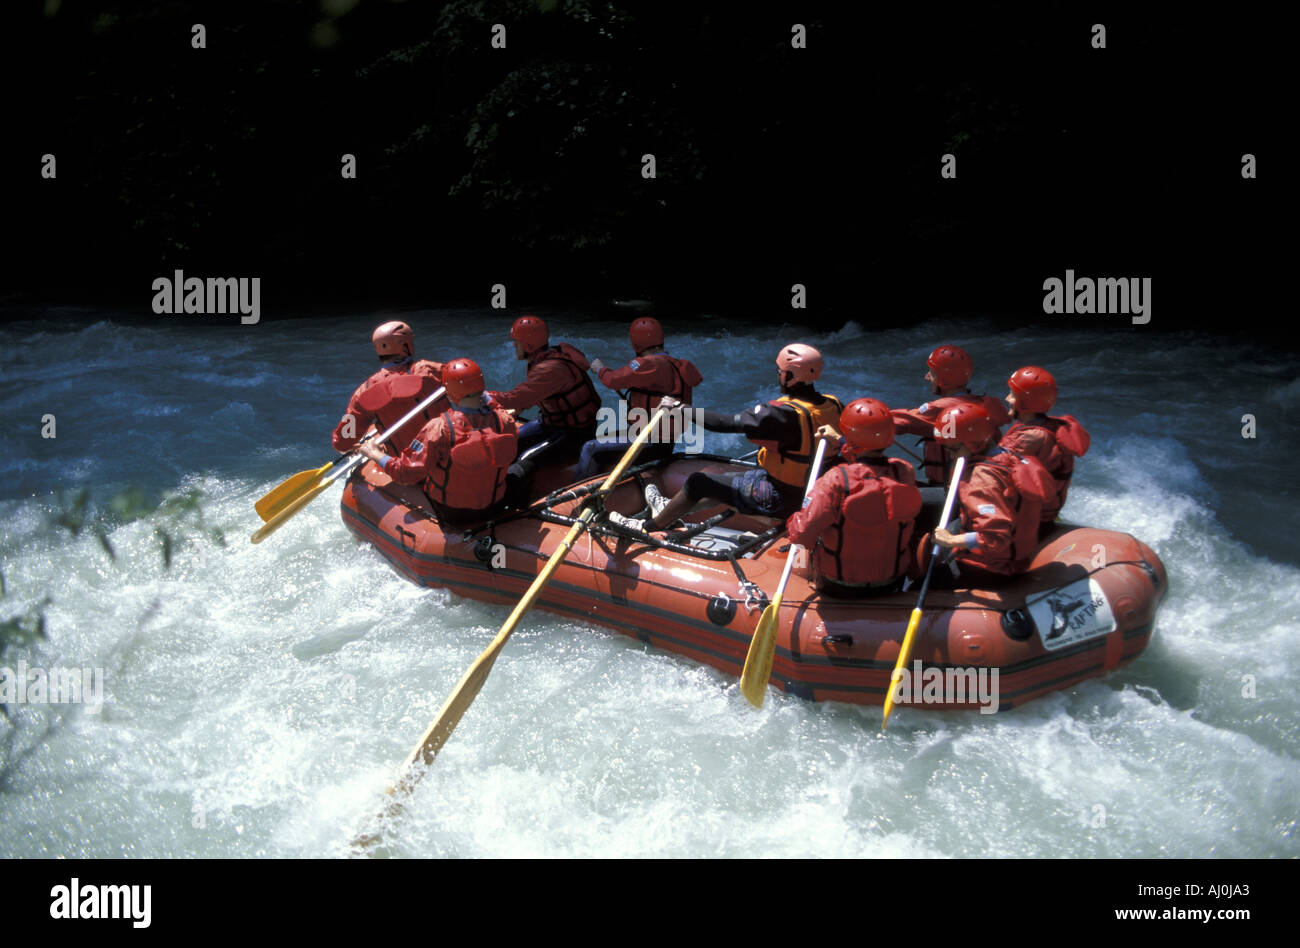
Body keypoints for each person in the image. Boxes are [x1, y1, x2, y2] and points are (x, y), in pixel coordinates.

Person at [606, 343, 842, 533]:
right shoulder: (833, 404)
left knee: (699, 482)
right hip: (809, 491)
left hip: (781, 497)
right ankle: (672, 511)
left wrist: (680, 408)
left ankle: (647, 527)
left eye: (780, 372)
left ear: (791, 376)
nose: (778, 376)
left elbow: (725, 424)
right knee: (726, 481)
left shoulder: (780, 414)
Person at [786, 398, 923, 597]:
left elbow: (802, 534)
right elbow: (869, 464)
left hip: (837, 584)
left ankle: (802, 584)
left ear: (851, 438)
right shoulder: (904, 472)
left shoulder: (834, 480)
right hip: (892, 580)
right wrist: (844, 442)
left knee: (799, 545)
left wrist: (793, 521)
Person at [356, 358, 518, 526]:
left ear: (451, 393)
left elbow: (405, 473)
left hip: (452, 513)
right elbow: (494, 407)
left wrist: (375, 454)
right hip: (495, 504)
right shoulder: (504, 420)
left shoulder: (439, 428)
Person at [917, 402, 1056, 588]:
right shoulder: (1010, 456)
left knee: (917, 588)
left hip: (988, 570)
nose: (950, 456)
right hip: (1013, 560)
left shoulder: (981, 478)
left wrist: (951, 541)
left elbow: (996, 538)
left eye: (953, 449)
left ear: (973, 443)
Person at [580, 316, 704, 476]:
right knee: (601, 436)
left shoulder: (648, 364)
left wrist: (600, 369)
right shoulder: (678, 364)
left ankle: (580, 497)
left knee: (590, 447)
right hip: (665, 440)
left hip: (650, 442)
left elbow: (612, 380)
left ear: (636, 343)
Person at [485, 316, 601, 485]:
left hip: (574, 432)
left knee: (523, 463)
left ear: (529, 345)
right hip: (551, 423)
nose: (513, 346)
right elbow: (533, 395)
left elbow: (514, 399)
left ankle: (514, 503)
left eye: (516, 342)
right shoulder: (544, 358)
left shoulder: (550, 369)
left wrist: (476, 394)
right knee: (507, 444)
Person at [891, 344, 1011, 487]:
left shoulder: (940, 410)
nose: (927, 377)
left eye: (932, 373)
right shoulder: (989, 404)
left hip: (952, 485)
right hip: (985, 477)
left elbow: (891, 422)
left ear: (944, 379)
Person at [332, 321, 445, 456]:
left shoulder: (363, 391)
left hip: (405, 466)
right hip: (446, 455)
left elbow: (343, 441)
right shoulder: (429, 371)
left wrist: (342, 442)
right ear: (406, 347)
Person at [997, 366, 1090, 526]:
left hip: (1027, 518)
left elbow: (993, 470)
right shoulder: (1049, 426)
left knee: (954, 524)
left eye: (1012, 394)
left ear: (1025, 402)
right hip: (1045, 512)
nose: (1007, 398)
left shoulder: (1029, 438)